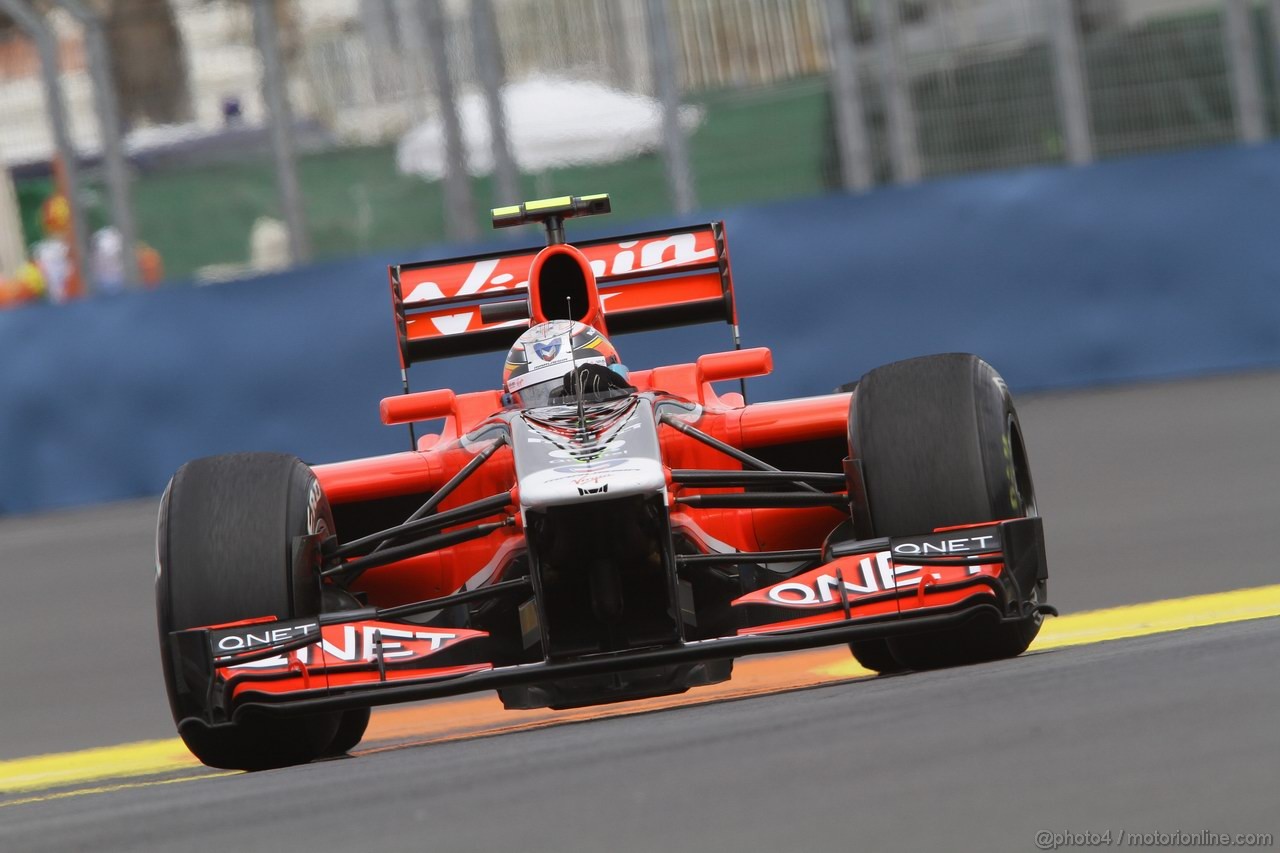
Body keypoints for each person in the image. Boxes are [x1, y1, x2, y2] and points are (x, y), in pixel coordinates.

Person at [503, 320, 632, 408]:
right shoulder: (500, 442)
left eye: (582, 387)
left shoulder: (647, 416)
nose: (563, 404)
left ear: (616, 374)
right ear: (512, 402)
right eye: (537, 395)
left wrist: (620, 397)